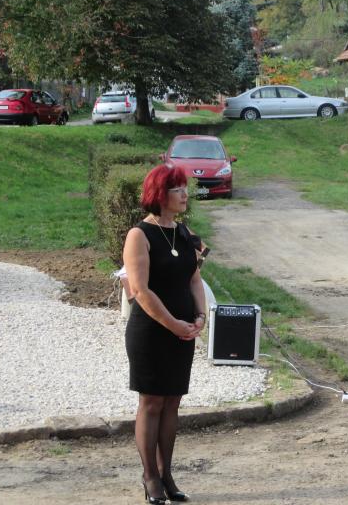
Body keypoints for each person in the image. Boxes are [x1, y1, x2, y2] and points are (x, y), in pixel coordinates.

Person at [124, 164, 207, 503]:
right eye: (177, 189)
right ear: (159, 194)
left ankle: (167, 473)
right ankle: (150, 477)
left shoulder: (184, 233)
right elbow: (140, 291)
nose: (185, 194)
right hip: (151, 332)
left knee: (172, 401)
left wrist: (200, 316)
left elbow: (194, 279)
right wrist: (173, 323)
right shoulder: (139, 235)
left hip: (183, 331)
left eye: (185, 187)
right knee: (152, 401)